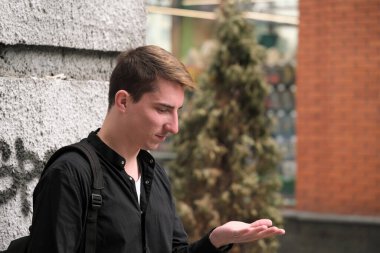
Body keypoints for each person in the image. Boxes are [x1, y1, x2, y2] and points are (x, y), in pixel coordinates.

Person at [28, 45, 285, 253]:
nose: (174, 127)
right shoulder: (71, 174)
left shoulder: (155, 174)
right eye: (162, 109)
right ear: (124, 101)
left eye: (177, 111)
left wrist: (216, 240)